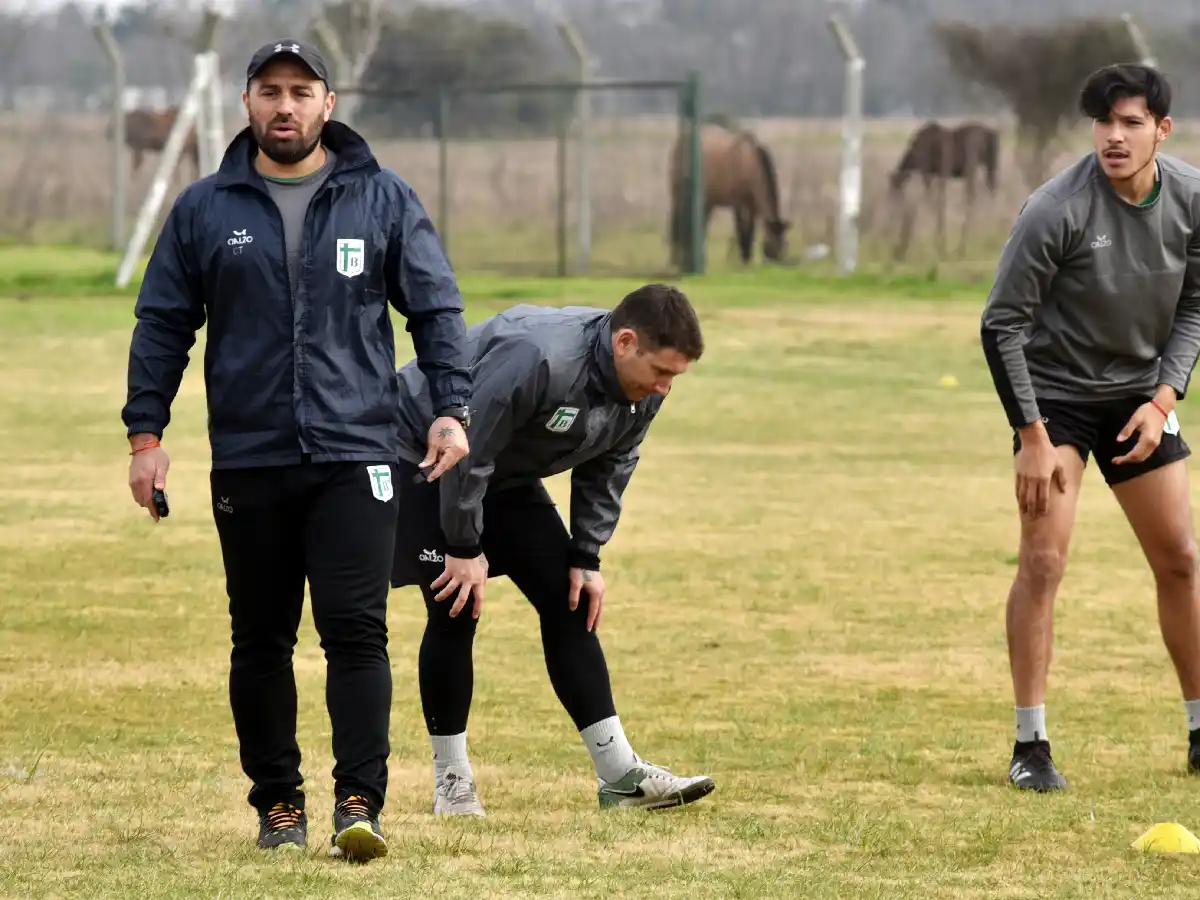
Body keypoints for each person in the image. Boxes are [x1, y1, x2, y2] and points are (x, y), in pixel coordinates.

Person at [120, 39, 473, 859]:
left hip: (357, 454)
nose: (286, 106)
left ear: (329, 102)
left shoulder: (383, 199)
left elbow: (437, 309)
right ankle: (279, 805)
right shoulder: (204, 208)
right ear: (246, 103)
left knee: (357, 630)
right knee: (261, 639)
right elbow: (164, 324)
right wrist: (147, 436)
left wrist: (450, 409)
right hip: (250, 459)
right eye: (270, 91)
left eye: (301, 91)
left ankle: (360, 801)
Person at [390, 284, 716, 814]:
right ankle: (453, 782)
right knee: (456, 605)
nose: (666, 387)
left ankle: (621, 776)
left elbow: (609, 468)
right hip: (425, 453)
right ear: (625, 342)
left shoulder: (644, 393)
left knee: (571, 603)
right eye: (661, 371)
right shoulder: (539, 356)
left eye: (675, 376)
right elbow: (469, 452)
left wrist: (586, 556)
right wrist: (463, 545)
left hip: (502, 471)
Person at [980, 62, 1200, 792]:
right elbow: (1001, 324)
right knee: (1043, 563)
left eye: (1132, 123)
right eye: (1104, 123)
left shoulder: (1193, 199)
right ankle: (1030, 746)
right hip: (1057, 403)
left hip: (1140, 397)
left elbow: (1196, 306)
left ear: (1161, 131)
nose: (1114, 136)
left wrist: (1164, 397)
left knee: (1181, 560)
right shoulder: (1056, 208)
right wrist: (1033, 439)